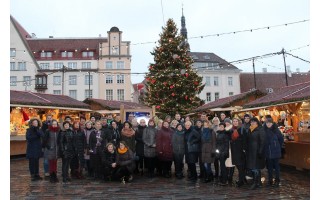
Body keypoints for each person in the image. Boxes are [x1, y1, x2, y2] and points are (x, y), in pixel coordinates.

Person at [246, 117, 266, 190]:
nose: (252, 123)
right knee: (254, 167)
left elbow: (262, 141)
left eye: (254, 122)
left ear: (257, 122)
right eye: (251, 122)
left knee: (255, 167)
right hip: (251, 151)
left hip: (257, 151)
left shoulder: (260, 129)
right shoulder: (250, 130)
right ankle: (259, 183)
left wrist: (260, 151)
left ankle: (255, 183)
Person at [264, 117, 284, 187]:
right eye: (267, 123)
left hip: (275, 151)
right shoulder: (264, 130)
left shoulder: (276, 130)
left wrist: (277, 146)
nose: (268, 124)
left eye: (269, 123)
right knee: (269, 167)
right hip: (268, 152)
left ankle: (277, 180)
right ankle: (270, 180)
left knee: (276, 167)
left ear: (272, 123)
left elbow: (281, 140)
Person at [230, 118, 247, 187]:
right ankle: (242, 179)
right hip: (234, 151)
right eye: (234, 121)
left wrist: (244, 148)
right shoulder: (231, 130)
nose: (235, 122)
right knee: (238, 165)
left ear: (239, 122)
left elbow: (245, 140)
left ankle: (241, 181)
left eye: (236, 121)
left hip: (240, 151)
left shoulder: (242, 129)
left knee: (240, 167)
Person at [224, 118, 235, 184]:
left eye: (228, 122)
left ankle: (230, 176)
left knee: (232, 163)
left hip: (231, 148)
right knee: (226, 163)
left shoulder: (232, 129)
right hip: (226, 148)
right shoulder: (224, 129)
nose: (227, 123)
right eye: (226, 122)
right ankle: (227, 175)